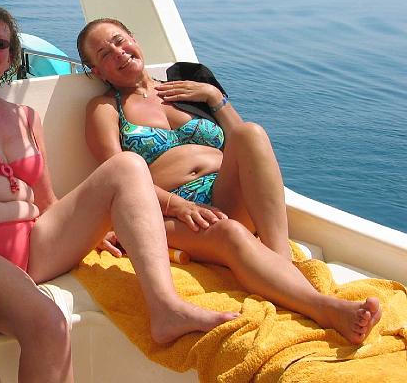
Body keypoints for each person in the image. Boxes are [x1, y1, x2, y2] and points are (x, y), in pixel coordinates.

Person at [0, 6, 240, 382]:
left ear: (10, 57)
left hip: (36, 244)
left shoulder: (26, 117)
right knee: (50, 325)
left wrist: (91, 229)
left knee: (127, 166)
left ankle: (166, 309)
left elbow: (47, 200)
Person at [77, 17, 382, 345]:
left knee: (251, 133)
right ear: (98, 72)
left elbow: (245, 146)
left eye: (120, 41)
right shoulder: (105, 108)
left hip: (225, 192)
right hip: (166, 212)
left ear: (134, 39)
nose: (119, 53)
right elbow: (117, 174)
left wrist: (214, 97)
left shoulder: (186, 88)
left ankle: (280, 260)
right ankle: (325, 309)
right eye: (105, 54)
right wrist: (178, 206)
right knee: (229, 232)